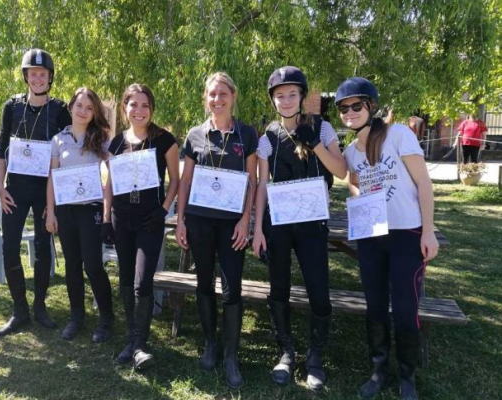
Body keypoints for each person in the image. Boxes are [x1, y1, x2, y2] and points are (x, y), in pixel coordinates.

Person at [336, 77, 439, 400]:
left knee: (406, 308)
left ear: (371, 106)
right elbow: (353, 182)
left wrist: (428, 231)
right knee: (375, 306)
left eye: (356, 105)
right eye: (342, 108)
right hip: (372, 236)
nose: (349, 112)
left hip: (407, 233)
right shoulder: (352, 151)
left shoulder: (398, 135)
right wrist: (362, 198)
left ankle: (407, 375)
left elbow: (424, 184)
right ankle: (379, 370)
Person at [251, 66, 346, 390]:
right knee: (278, 287)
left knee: (318, 289)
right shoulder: (267, 138)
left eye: (292, 94)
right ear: (273, 100)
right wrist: (258, 229)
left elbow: (343, 171)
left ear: (302, 96)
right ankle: (286, 352)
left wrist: (316, 145)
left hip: (311, 221)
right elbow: (262, 185)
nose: (287, 100)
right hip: (278, 222)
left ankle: (315, 358)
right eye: (280, 95)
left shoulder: (322, 127)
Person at [175, 72, 258, 388]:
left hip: (231, 224)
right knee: (204, 282)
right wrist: (181, 220)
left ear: (233, 96)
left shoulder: (247, 134)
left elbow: (252, 181)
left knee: (232, 287)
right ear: (205, 99)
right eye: (211, 94)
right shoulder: (195, 135)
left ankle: (231, 355)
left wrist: (245, 220)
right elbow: (184, 181)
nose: (217, 99)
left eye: (223, 93)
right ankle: (211, 343)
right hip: (199, 221)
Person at [0, 49, 72, 336]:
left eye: (43, 74)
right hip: (15, 188)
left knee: (43, 247)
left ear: (50, 77)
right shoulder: (11, 107)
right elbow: (1, 147)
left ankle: (40, 306)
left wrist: (55, 198)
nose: (38, 78)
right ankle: (20, 310)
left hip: (44, 190)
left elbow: (65, 153)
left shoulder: (61, 109)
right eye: (33, 73)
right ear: (25, 76)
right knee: (9, 246)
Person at [103, 84, 179, 370]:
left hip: (150, 219)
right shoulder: (116, 143)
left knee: (143, 280)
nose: (139, 110)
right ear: (124, 108)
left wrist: (163, 210)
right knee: (125, 279)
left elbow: (176, 179)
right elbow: (110, 183)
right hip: (122, 218)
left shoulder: (164, 140)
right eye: (133, 104)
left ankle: (140, 343)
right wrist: (107, 217)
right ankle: (133, 341)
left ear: (152, 108)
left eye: (145, 105)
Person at [45, 87, 114, 343]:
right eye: (79, 106)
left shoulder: (101, 138)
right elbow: (51, 177)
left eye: (89, 107)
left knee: (93, 265)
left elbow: (114, 172)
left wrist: (108, 207)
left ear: (94, 112)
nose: (83, 111)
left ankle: (106, 317)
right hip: (65, 211)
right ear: (71, 107)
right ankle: (77, 317)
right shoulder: (58, 140)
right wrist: (50, 212)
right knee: (72, 265)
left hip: (91, 210)